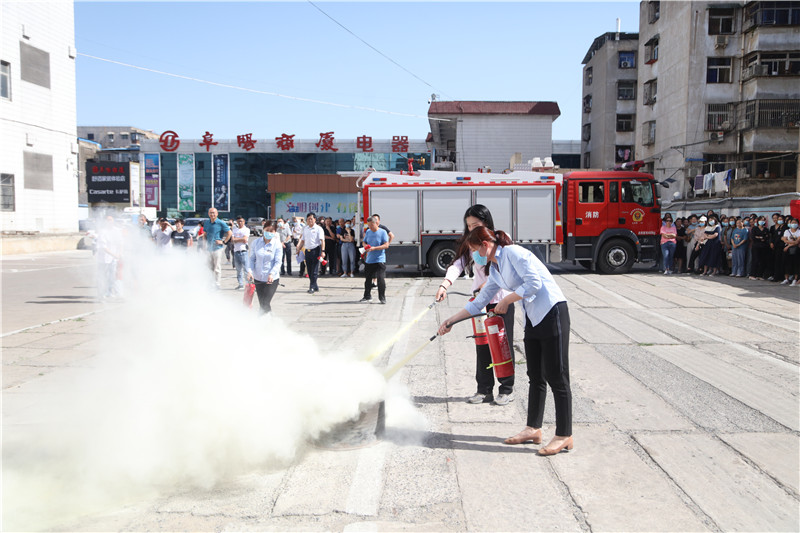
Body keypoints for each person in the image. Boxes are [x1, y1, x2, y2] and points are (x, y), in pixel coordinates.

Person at [437, 226, 573, 456]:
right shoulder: (496, 270)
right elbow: (479, 301)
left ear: (485, 245)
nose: (474, 256)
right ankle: (533, 428)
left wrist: (508, 300)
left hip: (552, 312)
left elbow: (534, 283)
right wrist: (451, 320)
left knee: (557, 376)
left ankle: (564, 434)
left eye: (473, 250)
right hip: (534, 318)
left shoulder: (514, 254)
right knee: (535, 376)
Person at [435, 205, 516, 405]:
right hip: (479, 302)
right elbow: (457, 264)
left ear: (486, 223)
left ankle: (506, 389)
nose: (471, 229)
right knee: (482, 345)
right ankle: (484, 389)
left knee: (502, 344)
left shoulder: (501, 240)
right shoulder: (469, 242)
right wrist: (445, 284)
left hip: (501, 301)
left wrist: (486, 284)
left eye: (476, 225)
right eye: (468, 225)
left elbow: (505, 270)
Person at [247, 220, 283, 314]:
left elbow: (278, 262)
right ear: (263, 230)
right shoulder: (256, 243)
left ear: (275, 232)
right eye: (267, 230)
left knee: (265, 302)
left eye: (272, 231)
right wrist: (250, 271)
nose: (269, 233)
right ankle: (266, 322)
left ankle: (266, 322)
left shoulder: (277, 245)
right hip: (258, 277)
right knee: (262, 303)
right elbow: (252, 259)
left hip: (271, 279)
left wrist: (272, 273)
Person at [360, 216, 389, 304]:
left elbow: (386, 245)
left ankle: (382, 298)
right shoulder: (368, 232)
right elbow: (364, 241)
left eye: (371, 225)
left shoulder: (383, 232)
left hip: (380, 259)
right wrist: (365, 246)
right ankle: (367, 296)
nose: (370, 227)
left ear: (376, 223)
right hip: (369, 260)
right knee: (368, 279)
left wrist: (374, 248)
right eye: (368, 226)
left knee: (380, 279)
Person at [201, 207, 232, 289]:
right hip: (209, 248)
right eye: (211, 213)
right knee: (209, 267)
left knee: (217, 267)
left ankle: (217, 284)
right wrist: (204, 245)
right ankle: (210, 284)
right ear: (208, 214)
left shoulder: (221, 223)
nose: (212, 214)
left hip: (217, 248)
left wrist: (223, 242)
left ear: (217, 214)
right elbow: (205, 234)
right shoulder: (207, 223)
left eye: (214, 213)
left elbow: (229, 233)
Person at [297, 212, 325, 294]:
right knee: (309, 270)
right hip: (307, 250)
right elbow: (302, 240)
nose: (310, 220)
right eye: (308, 219)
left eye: (311, 219)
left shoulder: (318, 229)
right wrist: (298, 249)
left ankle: (311, 287)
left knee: (314, 270)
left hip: (316, 250)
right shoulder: (305, 229)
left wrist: (323, 251)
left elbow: (322, 241)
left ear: (315, 219)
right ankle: (315, 285)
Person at [231, 216, 250, 289]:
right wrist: (240, 239)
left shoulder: (246, 229)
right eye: (238, 221)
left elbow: (245, 239)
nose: (240, 223)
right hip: (236, 251)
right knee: (238, 269)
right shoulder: (234, 229)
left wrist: (237, 239)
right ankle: (240, 284)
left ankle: (248, 284)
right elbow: (232, 240)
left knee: (246, 269)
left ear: (244, 221)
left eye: (241, 221)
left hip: (243, 250)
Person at [749, 216, 770, 281]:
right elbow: (753, 237)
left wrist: (760, 237)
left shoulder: (766, 229)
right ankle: (752, 274)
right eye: (760, 220)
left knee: (762, 261)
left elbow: (767, 237)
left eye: (763, 220)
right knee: (755, 260)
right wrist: (760, 238)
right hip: (756, 246)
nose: (762, 221)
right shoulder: (754, 228)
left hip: (763, 247)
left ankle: (759, 274)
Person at [781, 218, 800, 286]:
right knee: (787, 264)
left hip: (796, 250)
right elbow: (784, 239)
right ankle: (787, 279)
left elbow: (797, 241)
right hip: (787, 251)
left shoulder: (799, 231)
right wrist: (792, 242)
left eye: (795, 223)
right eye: (792, 223)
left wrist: (788, 245)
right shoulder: (787, 231)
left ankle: (795, 279)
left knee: (796, 264)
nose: (793, 224)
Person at [770, 215, 787, 282]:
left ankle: (780, 277)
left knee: (780, 262)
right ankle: (776, 276)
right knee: (776, 262)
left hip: (782, 247)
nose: (779, 220)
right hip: (776, 247)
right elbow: (774, 237)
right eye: (778, 219)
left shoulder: (785, 228)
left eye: (780, 219)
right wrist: (772, 242)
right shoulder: (779, 227)